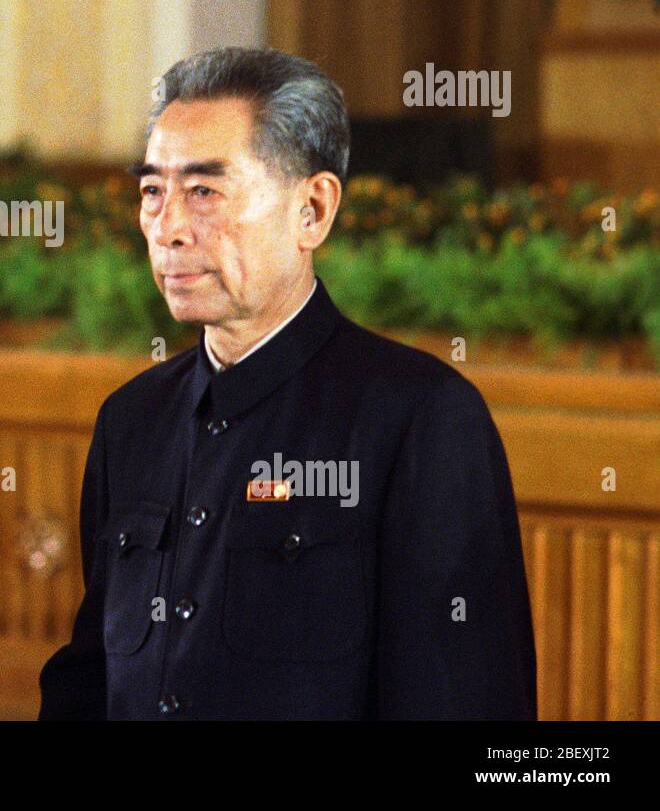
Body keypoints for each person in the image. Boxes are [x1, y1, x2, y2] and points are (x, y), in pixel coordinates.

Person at [39, 47, 536, 720]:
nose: (168, 227)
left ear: (313, 210)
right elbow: (90, 682)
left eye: (205, 191)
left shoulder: (419, 419)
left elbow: (465, 702)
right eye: (153, 191)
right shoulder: (132, 420)